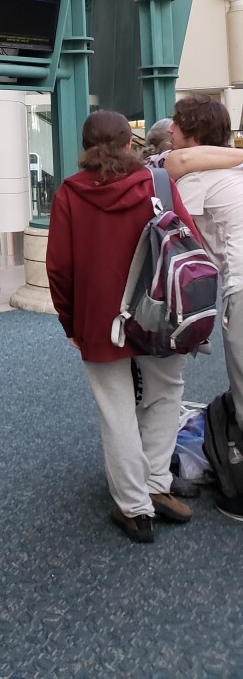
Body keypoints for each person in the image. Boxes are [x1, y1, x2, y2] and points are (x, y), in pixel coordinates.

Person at [46, 110, 199, 543]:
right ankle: (156, 485)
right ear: (130, 144)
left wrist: (70, 322)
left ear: (84, 147)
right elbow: (188, 241)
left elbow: (59, 268)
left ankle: (134, 508)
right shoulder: (158, 185)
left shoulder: (71, 193)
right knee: (166, 395)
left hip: (99, 319)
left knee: (116, 409)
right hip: (161, 314)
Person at [162, 95, 243, 521]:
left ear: (191, 132)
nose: (168, 130)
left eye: (176, 124)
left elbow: (167, 236)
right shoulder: (232, 169)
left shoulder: (195, 178)